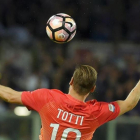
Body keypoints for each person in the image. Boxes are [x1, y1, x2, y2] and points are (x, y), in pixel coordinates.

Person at [0, 65, 140, 140]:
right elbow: (130, 103)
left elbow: (10, 96)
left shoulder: (49, 99)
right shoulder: (96, 112)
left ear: (71, 81)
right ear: (92, 89)